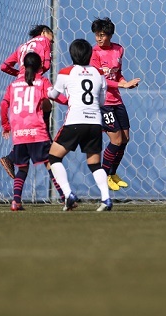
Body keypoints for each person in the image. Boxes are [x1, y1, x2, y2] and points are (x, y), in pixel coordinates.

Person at [46, 39, 112, 212]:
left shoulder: (66, 72)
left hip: (75, 121)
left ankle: (68, 195)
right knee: (95, 164)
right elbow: (103, 100)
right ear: (90, 54)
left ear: (71, 54)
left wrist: (45, 89)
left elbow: (53, 94)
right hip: (95, 122)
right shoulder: (99, 73)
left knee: (53, 158)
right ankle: (106, 199)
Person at [0, 52, 68, 211]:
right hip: (37, 131)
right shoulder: (42, 81)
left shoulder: (13, 85)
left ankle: (16, 201)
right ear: (40, 67)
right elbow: (56, 97)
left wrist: (6, 126)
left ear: (23, 66)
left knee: (22, 167)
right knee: (51, 163)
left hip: (19, 133)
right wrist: (70, 101)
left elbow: (4, 105)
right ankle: (65, 198)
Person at [90, 17, 140, 191]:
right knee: (116, 139)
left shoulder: (119, 50)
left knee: (125, 138)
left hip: (117, 100)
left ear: (110, 35)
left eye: (102, 35)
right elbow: (99, 79)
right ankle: (104, 176)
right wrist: (122, 84)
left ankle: (112, 173)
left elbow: (117, 75)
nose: (98, 38)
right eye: (97, 35)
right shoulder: (94, 53)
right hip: (104, 102)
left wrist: (127, 82)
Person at [0, 25, 55, 179]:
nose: (52, 41)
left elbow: (4, 66)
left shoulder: (22, 46)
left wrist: (20, 73)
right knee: (44, 109)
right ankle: (45, 139)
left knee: (37, 115)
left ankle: (11, 157)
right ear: (44, 32)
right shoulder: (43, 41)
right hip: (34, 83)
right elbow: (47, 65)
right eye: (52, 36)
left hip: (19, 87)